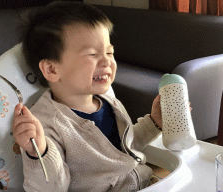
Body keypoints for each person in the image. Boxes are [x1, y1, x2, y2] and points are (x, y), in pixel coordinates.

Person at [13, 1, 163, 191]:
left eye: (109, 52)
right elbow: (50, 188)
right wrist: (40, 152)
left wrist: (154, 123)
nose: (107, 61)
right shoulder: (45, 123)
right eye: (92, 54)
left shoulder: (108, 97)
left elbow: (126, 148)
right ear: (51, 69)